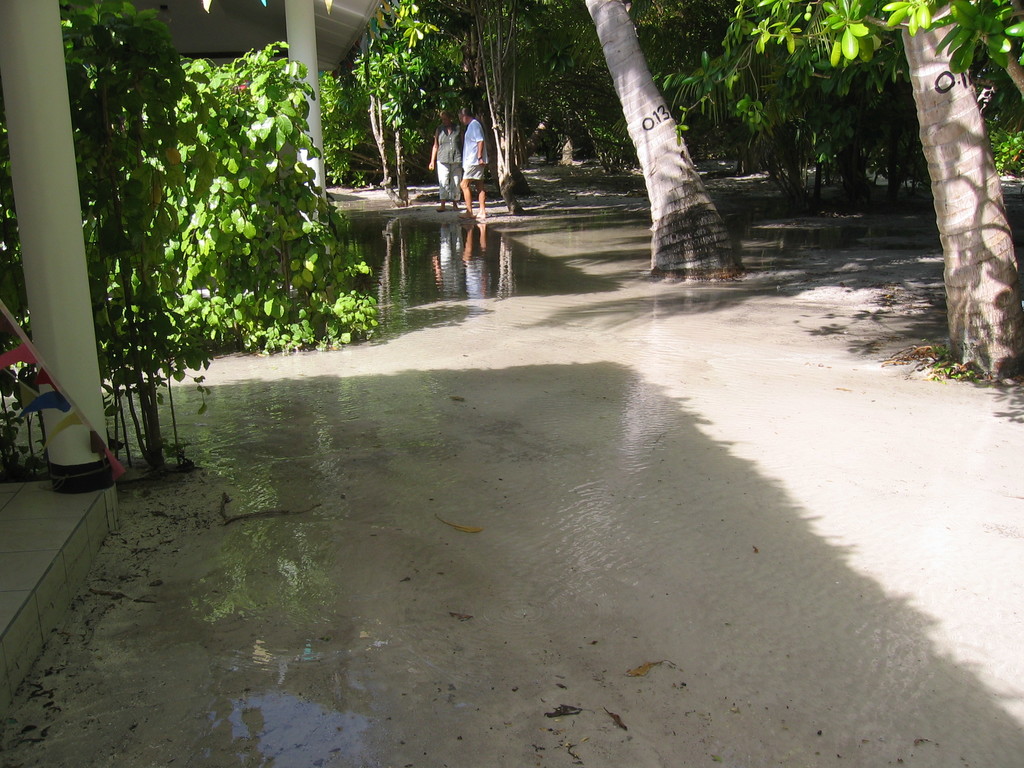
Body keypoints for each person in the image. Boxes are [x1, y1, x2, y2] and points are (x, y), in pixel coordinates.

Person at [428, 111, 462, 212]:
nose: (444, 121)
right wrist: (432, 161)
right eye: (442, 119)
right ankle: (442, 204)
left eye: (446, 118)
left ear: (450, 118)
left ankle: (455, 203)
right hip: (442, 159)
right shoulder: (439, 130)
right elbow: (435, 145)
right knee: (443, 181)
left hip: (456, 158)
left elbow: (463, 143)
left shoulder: (458, 129)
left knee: (456, 182)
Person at [459, 107, 488, 221]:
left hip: (474, 161)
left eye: (461, 118)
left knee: (464, 185)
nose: (461, 120)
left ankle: (469, 211)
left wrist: (479, 156)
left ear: (465, 116)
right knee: (479, 185)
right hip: (473, 160)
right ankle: (482, 211)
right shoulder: (472, 126)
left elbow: (480, 140)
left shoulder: (474, 125)